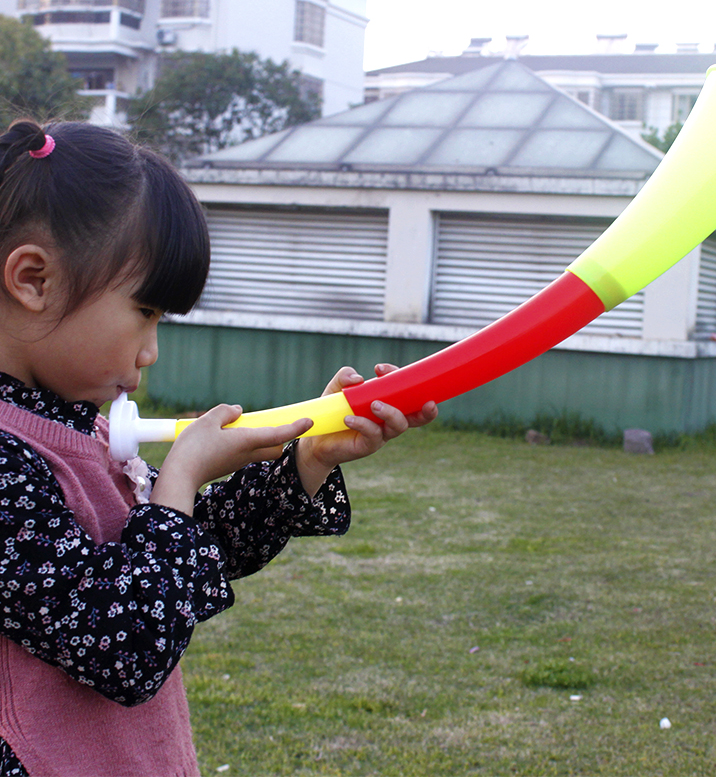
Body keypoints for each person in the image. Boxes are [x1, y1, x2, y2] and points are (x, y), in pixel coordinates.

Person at [0, 120, 437, 777]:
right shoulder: (6, 462)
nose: (151, 349)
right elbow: (121, 648)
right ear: (33, 280)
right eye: (145, 313)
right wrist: (176, 485)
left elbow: (184, 562)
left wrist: (307, 463)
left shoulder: (79, 425)